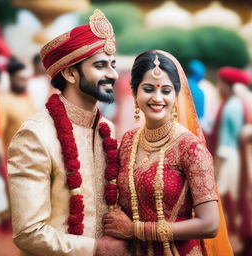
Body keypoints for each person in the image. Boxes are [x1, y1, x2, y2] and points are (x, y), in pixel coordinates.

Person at [7, 9, 129, 256]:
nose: (112, 74)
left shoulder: (107, 130)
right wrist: (96, 248)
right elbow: (28, 232)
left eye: (113, 65)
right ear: (70, 73)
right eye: (100, 65)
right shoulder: (36, 135)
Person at [103, 50, 232, 256]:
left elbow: (210, 224)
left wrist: (136, 230)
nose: (157, 98)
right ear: (134, 93)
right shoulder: (128, 141)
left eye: (166, 90)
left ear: (175, 94)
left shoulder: (191, 148)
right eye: (148, 89)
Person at [210, 67, 252, 255]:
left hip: (230, 162)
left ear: (228, 86)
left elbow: (225, 146)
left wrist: (215, 171)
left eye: (220, 83)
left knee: (226, 206)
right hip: (238, 158)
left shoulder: (230, 107)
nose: (218, 88)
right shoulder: (238, 103)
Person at [0, 60, 37, 152]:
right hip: (11, 159)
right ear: (11, 78)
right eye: (21, 79)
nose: (25, 83)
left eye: (26, 79)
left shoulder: (28, 98)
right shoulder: (1, 100)